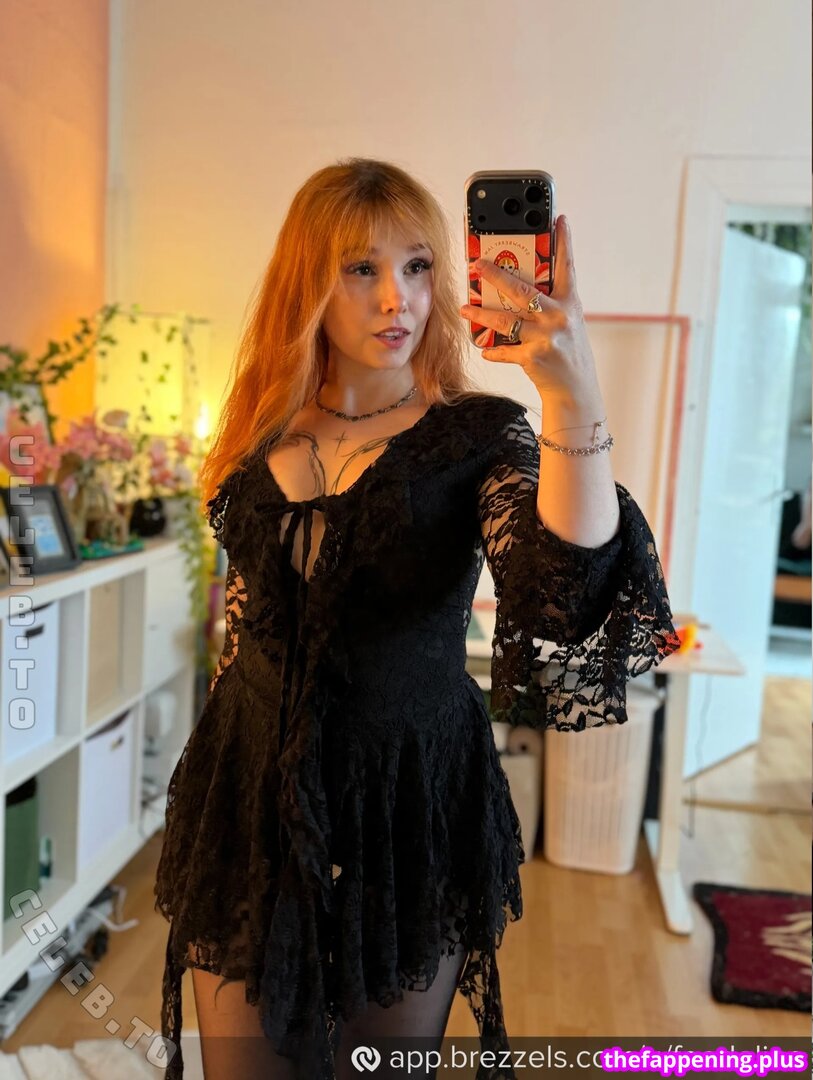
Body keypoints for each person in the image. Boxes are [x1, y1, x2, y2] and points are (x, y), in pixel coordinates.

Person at [153, 158, 680, 1080]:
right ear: (307, 284)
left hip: (408, 805)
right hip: (250, 798)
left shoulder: (475, 436)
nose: (396, 298)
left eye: (418, 266)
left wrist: (572, 394)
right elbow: (245, 630)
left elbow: (561, 583)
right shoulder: (257, 433)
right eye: (360, 269)